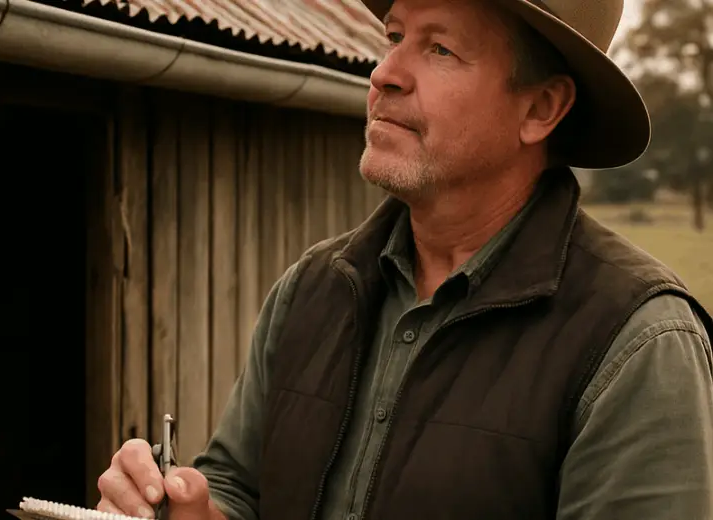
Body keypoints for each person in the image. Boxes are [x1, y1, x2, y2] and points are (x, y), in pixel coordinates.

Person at [96, 0, 713, 518]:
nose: (384, 72)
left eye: (440, 49)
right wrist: (190, 507)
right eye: (393, 37)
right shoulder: (311, 290)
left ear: (540, 109)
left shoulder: (638, 345)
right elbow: (239, 486)